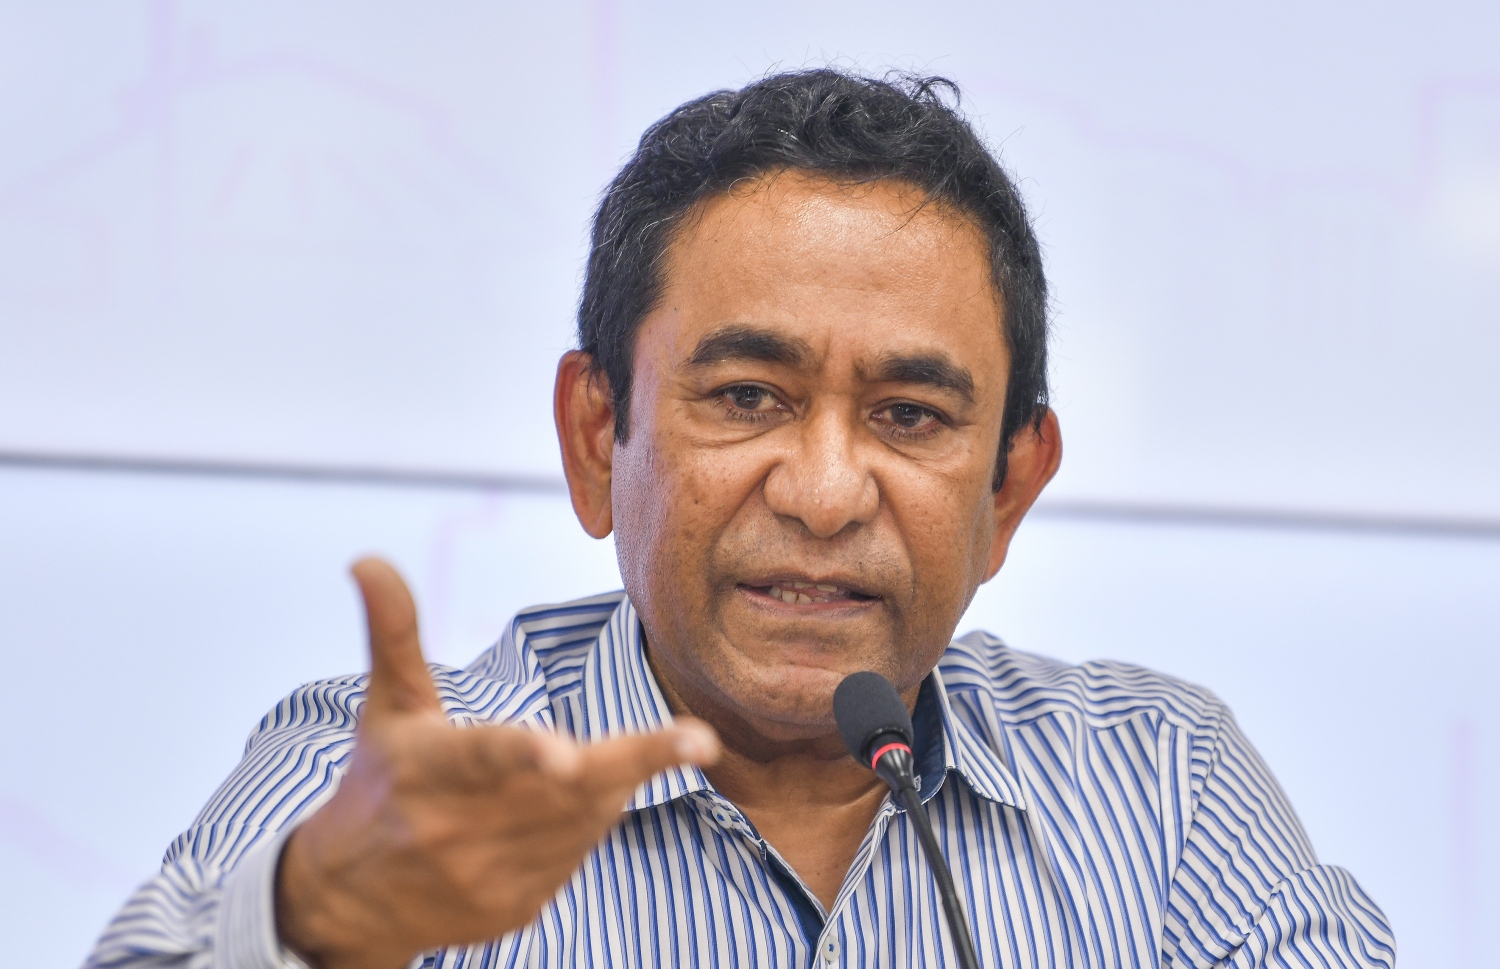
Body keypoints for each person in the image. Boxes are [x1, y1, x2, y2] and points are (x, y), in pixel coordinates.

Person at [85, 70, 1394, 969]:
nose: (823, 493)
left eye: (910, 415)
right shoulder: (396, 791)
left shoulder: (1160, 786)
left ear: (1009, 489)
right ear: (597, 437)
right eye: (749, 396)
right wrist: (318, 921)